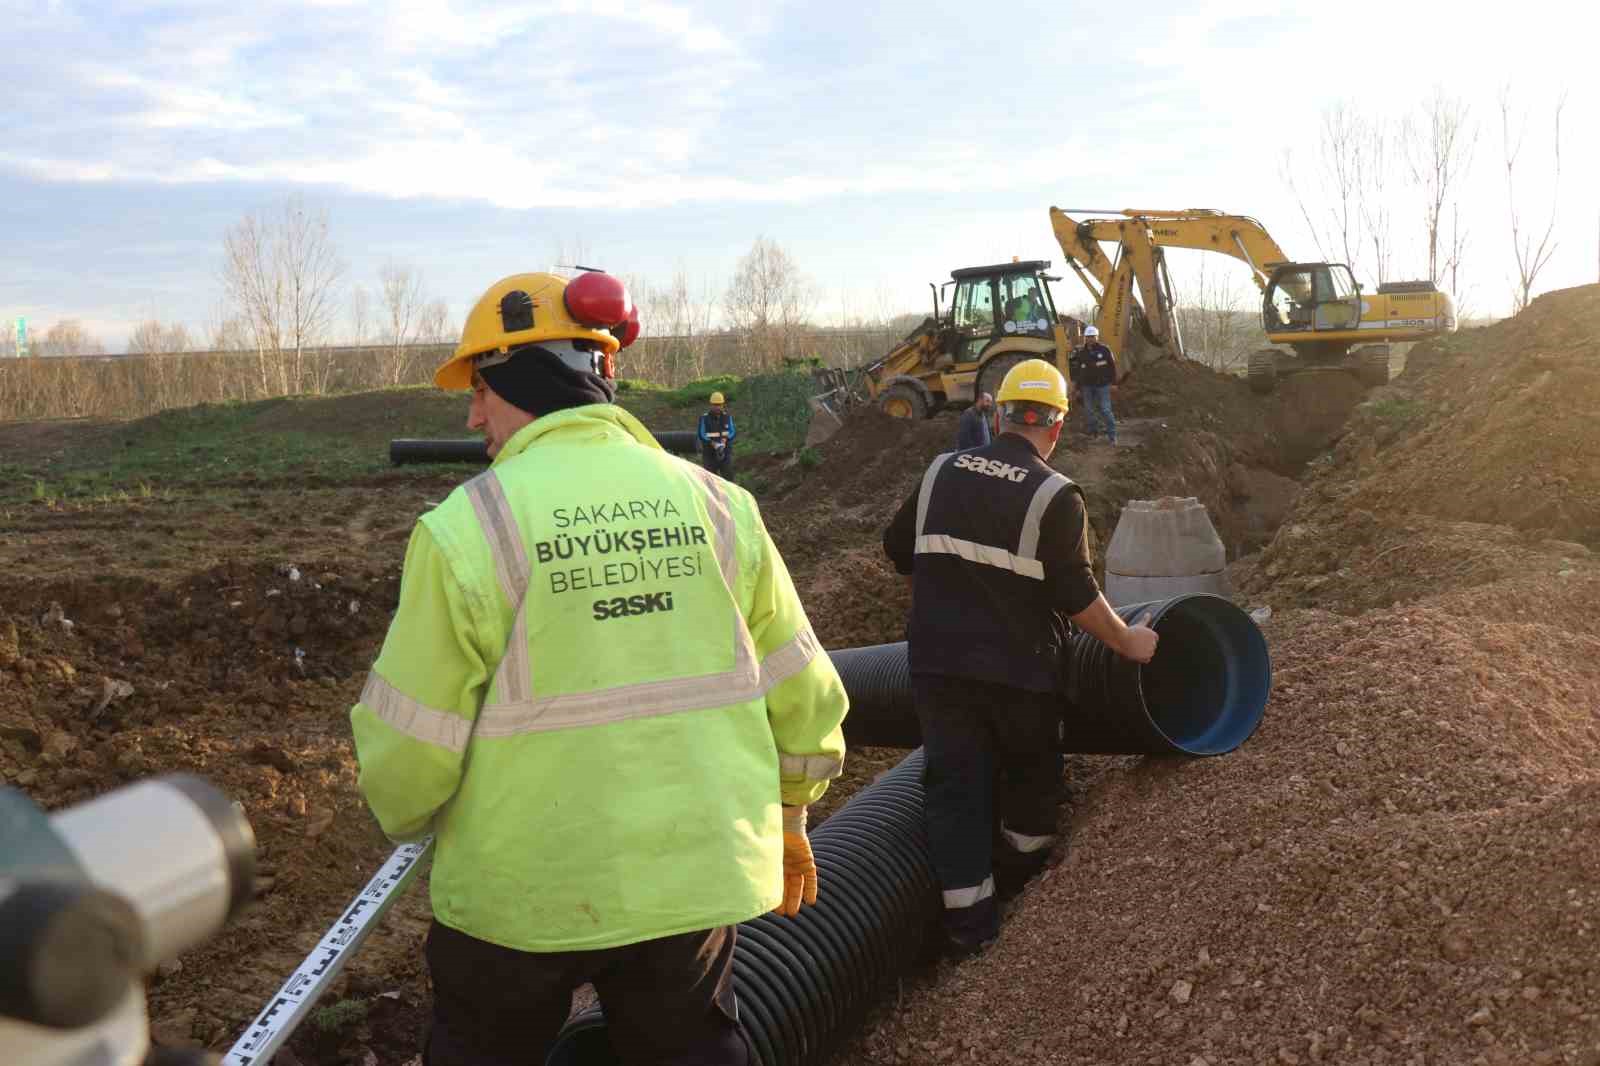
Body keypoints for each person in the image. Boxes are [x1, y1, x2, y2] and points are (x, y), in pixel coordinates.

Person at [349, 271, 849, 1066]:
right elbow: (803, 688)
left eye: (479, 387)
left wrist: (409, 816)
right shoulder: (722, 506)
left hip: (517, 900)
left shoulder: (465, 528)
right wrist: (793, 808)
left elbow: (409, 751)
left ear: (524, 376)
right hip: (688, 882)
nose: (473, 414)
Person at [881, 358, 1158, 960]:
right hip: (1020, 673)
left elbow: (898, 549)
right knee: (1031, 782)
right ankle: (1018, 888)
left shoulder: (938, 472)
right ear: (1057, 425)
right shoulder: (1056, 495)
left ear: (1000, 413)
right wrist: (1127, 642)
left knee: (955, 788)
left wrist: (945, 585)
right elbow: (1077, 594)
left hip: (938, 666)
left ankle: (970, 930)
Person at [1075, 325, 1118, 444]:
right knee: (1089, 410)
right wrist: (1077, 388)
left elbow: (1112, 367)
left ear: (1097, 337)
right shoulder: (1081, 353)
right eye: (1088, 337)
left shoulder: (1105, 350)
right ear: (1085, 338)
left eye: (1092, 337)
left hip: (1102, 385)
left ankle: (1112, 435)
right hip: (1087, 386)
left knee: (1105, 409)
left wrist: (1114, 383)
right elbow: (1078, 371)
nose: (1090, 339)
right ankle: (1094, 432)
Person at [698, 391, 736, 479]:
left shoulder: (727, 417)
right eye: (715, 405)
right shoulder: (704, 418)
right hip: (709, 454)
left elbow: (732, 431)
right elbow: (701, 434)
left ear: (722, 405)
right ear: (711, 405)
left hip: (725, 452)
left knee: (728, 477)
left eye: (719, 405)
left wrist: (726, 439)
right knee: (710, 479)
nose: (717, 407)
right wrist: (712, 443)